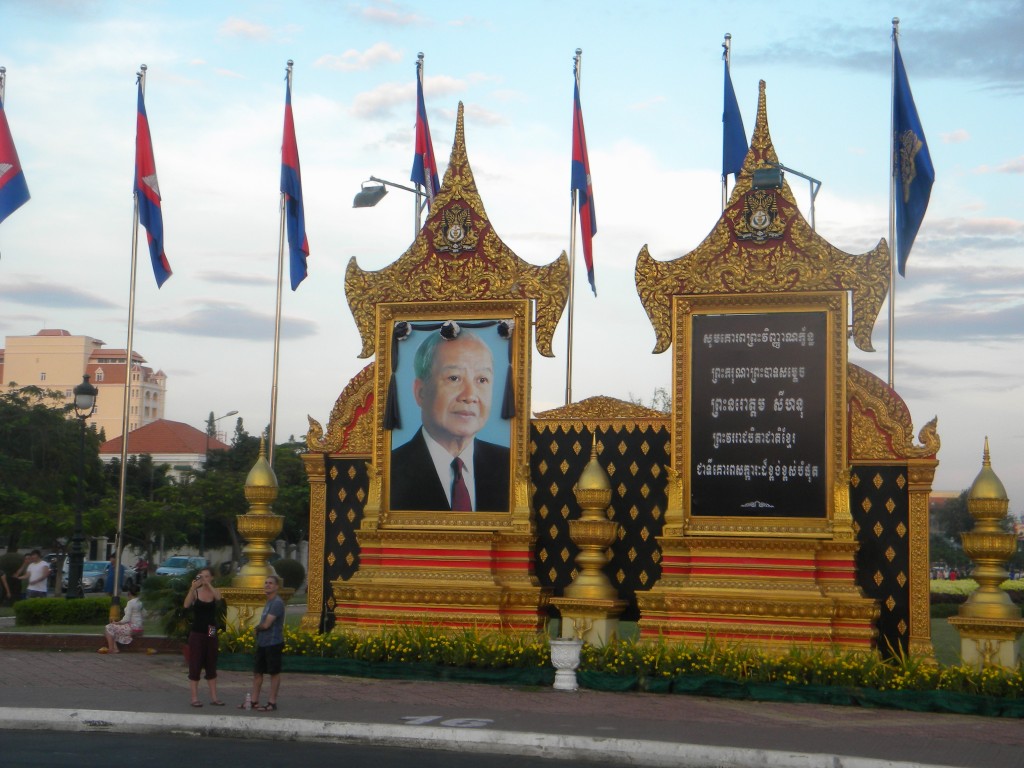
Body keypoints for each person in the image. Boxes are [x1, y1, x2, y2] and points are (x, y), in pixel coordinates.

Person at [390, 331, 510, 511]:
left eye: (482, 380)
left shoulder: (509, 465)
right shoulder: (390, 470)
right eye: (454, 378)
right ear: (421, 392)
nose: (470, 396)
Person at [242, 574, 286, 712]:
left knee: (274, 672)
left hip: (273, 642)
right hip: (263, 642)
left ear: (276, 586)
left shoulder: (277, 603)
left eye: (270, 583)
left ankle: (272, 702)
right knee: (258, 672)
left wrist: (256, 629)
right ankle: (254, 700)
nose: (267, 585)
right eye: (266, 583)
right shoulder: (269, 602)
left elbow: (266, 624)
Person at [183, 567, 224, 707]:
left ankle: (214, 697)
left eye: (207, 576)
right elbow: (186, 604)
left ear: (211, 577)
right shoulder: (195, 592)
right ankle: (194, 697)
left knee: (211, 661)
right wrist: (192, 588)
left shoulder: (213, 591)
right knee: (195, 663)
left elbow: (219, 598)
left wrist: (208, 584)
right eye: (202, 576)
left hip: (211, 629)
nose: (204, 579)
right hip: (197, 631)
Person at [99, 584, 143, 653]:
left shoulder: (131, 603)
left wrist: (117, 623)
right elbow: (144, 614)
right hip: (139, 628)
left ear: (129, 593)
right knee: (113, 629)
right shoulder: (140, 602)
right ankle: (115, 649)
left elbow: (127, 619)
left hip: (132, 628)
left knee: (108, 627)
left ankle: (111, 649)